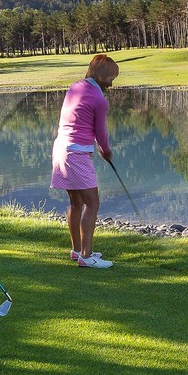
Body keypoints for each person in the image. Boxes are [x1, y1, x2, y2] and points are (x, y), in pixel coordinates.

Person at [50, 53, 120, 267]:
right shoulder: (99, 99)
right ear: (100, 76)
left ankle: (77, 250)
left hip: (61, 149)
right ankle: (86, 257)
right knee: (93, 202)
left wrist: (99, 147)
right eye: (110, 78)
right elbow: (101, 132)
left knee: (76, 202)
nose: (111, 83)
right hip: (76, 154)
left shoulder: (76, 87)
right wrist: (105, 150)